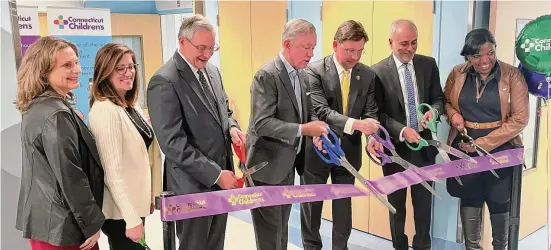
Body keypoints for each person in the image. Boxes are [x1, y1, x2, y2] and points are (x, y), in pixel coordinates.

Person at [147, 14, 245, 250]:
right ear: (182, 41)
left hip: (221, 181)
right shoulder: (164, 80)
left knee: (215, 245)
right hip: (192, 187)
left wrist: (232, 127)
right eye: (201, 48)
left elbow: (225, 111)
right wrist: (215, 174)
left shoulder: (212, 72)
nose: (207, 54)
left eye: (212, 48)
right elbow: (172, 144)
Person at [15, 36, 105, 250]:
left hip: (48, 223)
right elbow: (70, 174)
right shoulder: (56, 114)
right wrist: (91, 223)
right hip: (65, 227)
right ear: (44, 72)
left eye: (76, 62)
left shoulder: (37, 106)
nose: (77, 69)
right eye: (67, 65)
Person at [246, 18, 328, 250]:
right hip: (266, 170)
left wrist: (315, 132)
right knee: (270, 239)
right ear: (287, 44)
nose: (311, 53)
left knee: (281, 234)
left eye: (313, 47)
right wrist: (303, 130)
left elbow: (304, 113)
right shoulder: (267, 75)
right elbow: (261, 124)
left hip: (287, 167)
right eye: (306, 47)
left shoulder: (301, 74)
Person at [444, 28, 528, 250]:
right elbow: (446, 101)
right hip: (464, 147)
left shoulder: (512, 76)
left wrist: (482, 144)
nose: (484, 60)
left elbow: (520, 119)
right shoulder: (457, 73)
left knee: (500, 202)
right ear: (467, 56)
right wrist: (453, 115)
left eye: (490, 53)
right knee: (469, 198)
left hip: (500, 151)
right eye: (477, 55)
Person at [300, 20, 379, 250]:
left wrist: (372, 137)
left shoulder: (367, 75)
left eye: (360, 51)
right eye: (350, 50)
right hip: (318, 151)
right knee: (312, 208)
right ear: (335, 45)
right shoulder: (314, 71)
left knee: (343, 209)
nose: (355, 57)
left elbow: (370, 111)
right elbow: (321, 111)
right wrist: (356, 124)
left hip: (349, 153)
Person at [367, 19, 444, 250]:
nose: (410, 48)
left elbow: (439, 99)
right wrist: (401, 131)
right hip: (394, 151)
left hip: (424, 148)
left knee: (423, 207)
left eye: (414, 43)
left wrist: (433, 113)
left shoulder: (428, 65)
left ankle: (422, 246)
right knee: (396, 207)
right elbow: (378, 114)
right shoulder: (377, 72)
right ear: (390, 42)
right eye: (404, 44)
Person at [88, 43, 154, 249]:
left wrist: (147, 198)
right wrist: (132, 219)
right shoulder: (105, 110)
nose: (129, 72)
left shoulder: (129, 104)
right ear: (105, 72)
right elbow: (112, 173)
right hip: (121, 214)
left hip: (134, 206)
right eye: (120, 68)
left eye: (131, 66)